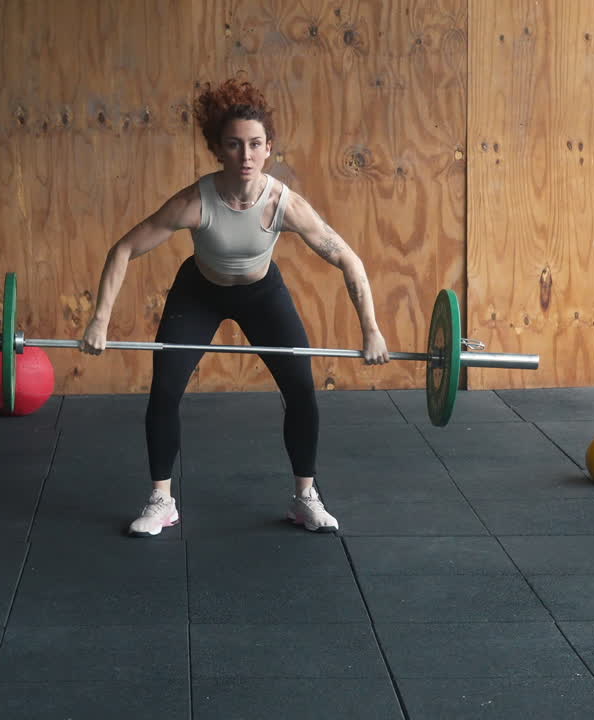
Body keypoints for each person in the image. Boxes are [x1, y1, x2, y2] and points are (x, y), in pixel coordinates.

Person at [78, 78, 389, 537]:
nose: (246, 155)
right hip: (198, 292)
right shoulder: (194, 202)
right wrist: (98, 321)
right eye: (235, 144)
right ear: (218, 149)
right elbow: (123, 248)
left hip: (262, 295)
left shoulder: (286, 205)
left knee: (301, 390)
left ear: (269, 149)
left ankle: (306, 497)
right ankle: (161, 500)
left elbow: (347, 258)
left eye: (256, 144)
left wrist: (372, 329)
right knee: (164, 391)